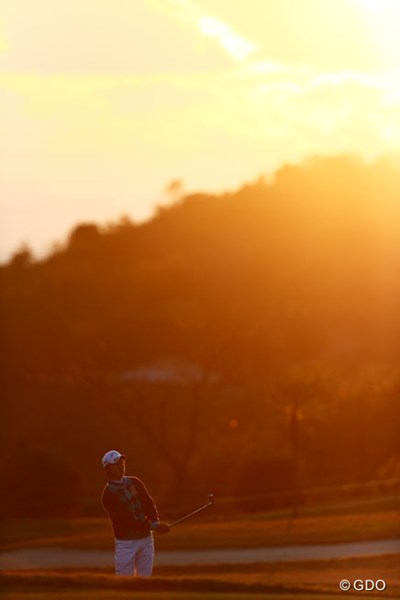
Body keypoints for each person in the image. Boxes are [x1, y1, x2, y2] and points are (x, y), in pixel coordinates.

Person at [101, 449, 170, 576]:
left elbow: (149, 504)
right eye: (116, 464)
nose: (121, 467)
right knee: (124, 583)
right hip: (126, 543)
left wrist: (155, 521)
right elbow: (126, 521)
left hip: (146, 540)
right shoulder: (108, 494)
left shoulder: (135, 482)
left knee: (145, 581)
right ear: (108, 469)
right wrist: (153, 526)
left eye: (122, 463)